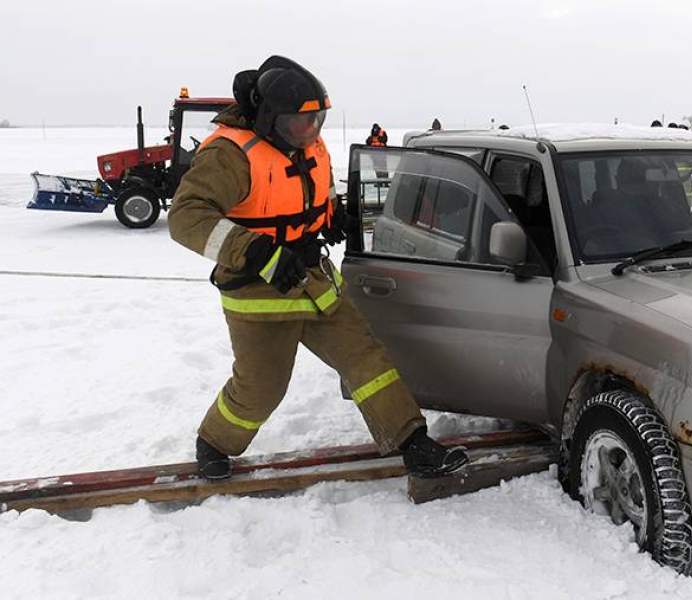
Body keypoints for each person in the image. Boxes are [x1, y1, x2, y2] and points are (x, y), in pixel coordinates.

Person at [168, 56, 468, 480]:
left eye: (317, 122)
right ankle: (215, 442)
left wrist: (333, 217)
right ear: (270, 118)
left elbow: (316, 194)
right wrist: (257, 253)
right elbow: (186, 218)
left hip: (313, 277)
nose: (309, 132)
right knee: (262, 388)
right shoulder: (229, 154)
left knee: (366, 359)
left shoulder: (311, 145)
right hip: (258, 290)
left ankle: (412, 442)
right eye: (299, 124)